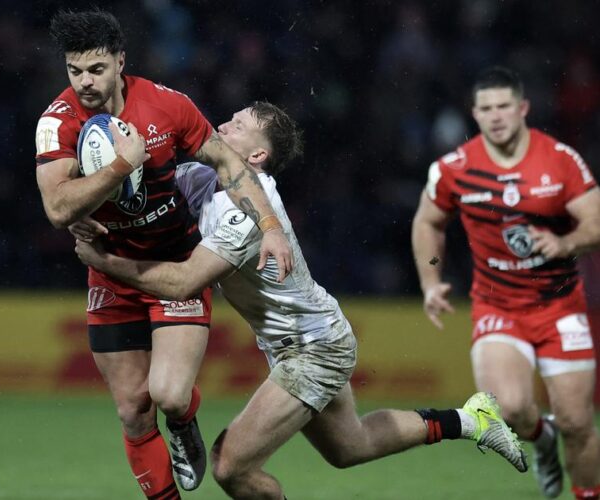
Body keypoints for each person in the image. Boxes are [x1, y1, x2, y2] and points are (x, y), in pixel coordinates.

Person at [73, 101, 528, 499]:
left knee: (231, 467)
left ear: (256, 156)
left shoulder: (248, 209)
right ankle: (472, 420)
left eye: (236, 125)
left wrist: (102, 259)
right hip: (305, 339)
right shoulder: (202, 176)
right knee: (350, 448)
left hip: (315, 349)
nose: (221, 127)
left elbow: (183, 283)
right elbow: (146, 189)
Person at [35, 8, 293, 497]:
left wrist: (271, 226)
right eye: (74, 71)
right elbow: (55, 206)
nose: (85, 82)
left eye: (96, 69)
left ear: (119, 61)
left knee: (169, 396)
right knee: (133, 409)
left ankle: (184, 422)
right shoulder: (56, 122)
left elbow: (227, 163)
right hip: (111, 274)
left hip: (174, 260)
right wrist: (118, 168)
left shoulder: (166, 105)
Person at [412, 66, 600, 500]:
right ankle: (542, 441)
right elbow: (428, 221)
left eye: (504, 107)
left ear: (523, 109)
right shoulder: (455, 168)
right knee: (511, 409)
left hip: (560, 307)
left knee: (576, 420)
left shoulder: (559, 159)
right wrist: (431, 279)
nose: (496, 116)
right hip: (498, 306)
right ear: (474, 114)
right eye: (486, 108)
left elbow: (595, 221)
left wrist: (565, 240)